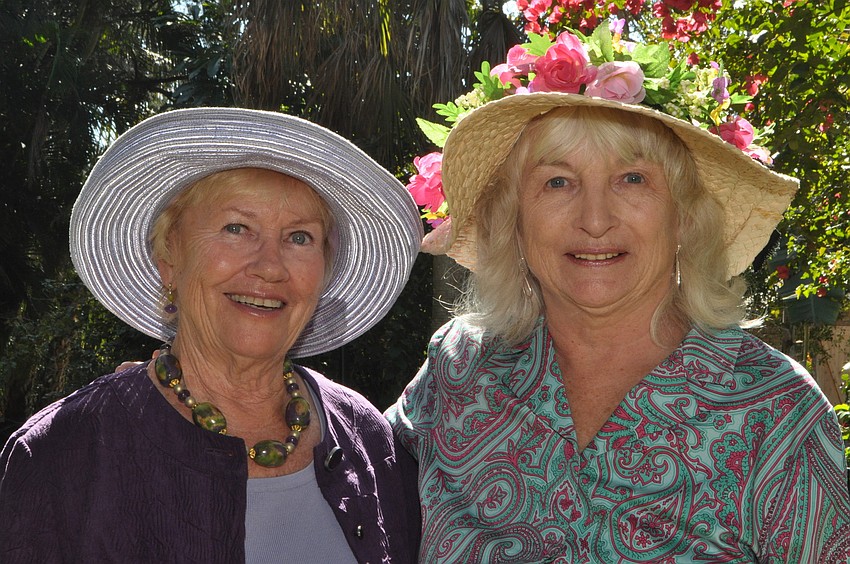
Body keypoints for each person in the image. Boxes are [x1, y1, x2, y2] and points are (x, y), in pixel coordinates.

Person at [386, 28, 850, 562]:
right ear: (513, 219)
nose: (595, 220)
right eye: (557, 182)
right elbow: (349, 484)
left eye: (632, 179)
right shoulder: (460, 368)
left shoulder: (775, 411)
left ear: (684, 215)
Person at [0, 107, 423, 563]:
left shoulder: (366, 436)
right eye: (236, 228)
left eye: (300, 237)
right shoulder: (64, 452)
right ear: (169, 258)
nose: (269, 266)